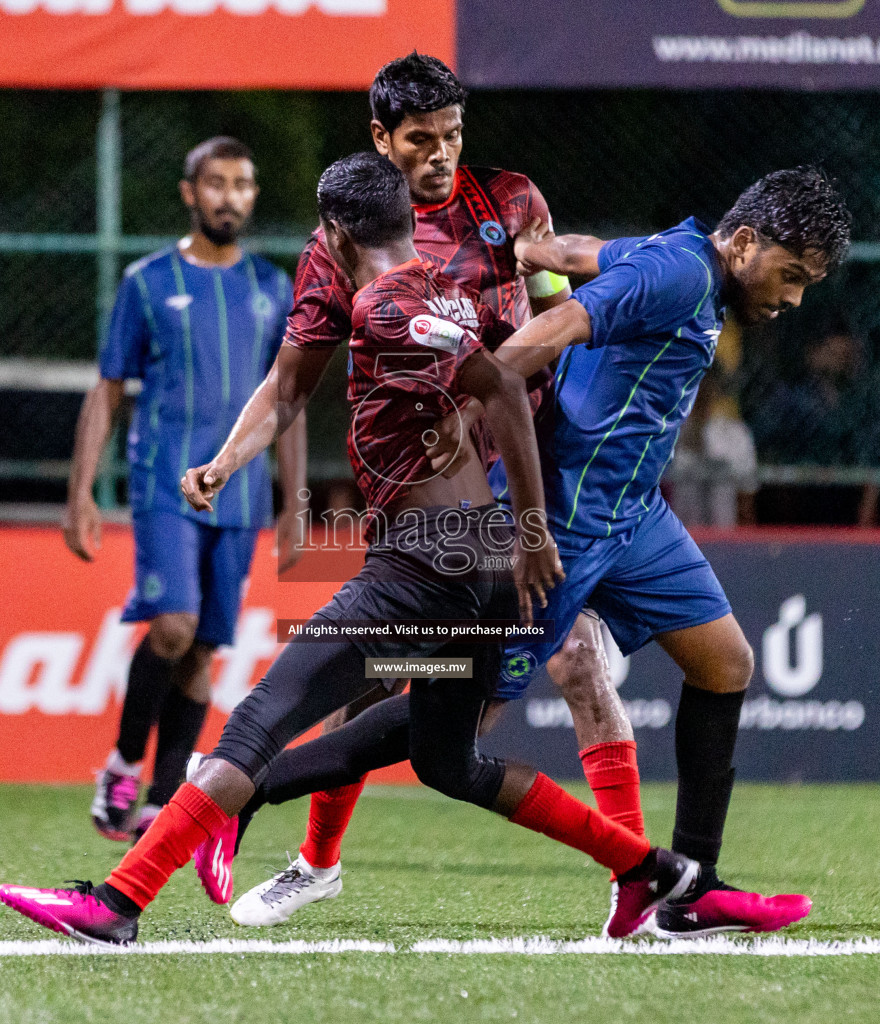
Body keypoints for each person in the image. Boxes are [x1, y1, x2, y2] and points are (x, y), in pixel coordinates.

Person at [0, 153, 702, 945]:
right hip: (485, 571)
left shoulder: (384, 306)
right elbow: (493, 375)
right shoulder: (447, 287)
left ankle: (117, 904)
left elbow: (499, 388)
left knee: (258, 721)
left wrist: (534, 526)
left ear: (334, 234)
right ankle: (650, 870)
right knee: (450, 763)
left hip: (425, 567)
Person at [233, 166, 849, 939]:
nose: (793, 299)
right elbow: (553, 330)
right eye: (791, 275)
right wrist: (466, 395)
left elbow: (593, 253)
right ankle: (244, 785)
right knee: (460, 717)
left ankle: (689, 894)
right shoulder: (678, 274)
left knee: (725, 663)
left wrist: (539, 250)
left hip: (635, 517)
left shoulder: (681, 254)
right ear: (747, 242)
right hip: (563, 522)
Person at [226, 50, 644, 927]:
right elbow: (291, 381)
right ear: (381, 140)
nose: (443, 154)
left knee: (569, 670)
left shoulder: (513, 202)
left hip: (528, 469)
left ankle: (637, 886)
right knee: (386, 683)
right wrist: (229, 461)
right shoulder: (342, 244)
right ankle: (316, 861)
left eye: (454, 134)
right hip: (432, 496)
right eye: (422, 140)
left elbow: (558, 311)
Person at [63, 136, 304, 860]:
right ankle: (122, 762)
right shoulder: (145, 282)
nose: (230, 196)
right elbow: (107, 390)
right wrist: (80, 492)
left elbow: (286, 398)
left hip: (243, 494)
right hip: (164, 480)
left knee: (200, 652)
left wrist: (294, 504)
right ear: (189, 193)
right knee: (172, 625)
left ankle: (164, 805)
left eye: (243, 183)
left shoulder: (273, 287)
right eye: (217, 183)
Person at [748, 320, 880, 525]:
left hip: (843, 500)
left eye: (845, 356)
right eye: (832, 352)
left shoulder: (857, 403)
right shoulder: (789, 399)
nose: (840, 360)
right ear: (812, 353)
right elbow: (762, 448)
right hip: (797, 498)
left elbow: (869, 464)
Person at [659, 364, 758, 528]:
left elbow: (746, 499)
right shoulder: (669, 432)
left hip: (724, 535)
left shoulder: (735, 434)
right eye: (696, 383)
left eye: (707, 383)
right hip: (682, 534)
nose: (702, 391)